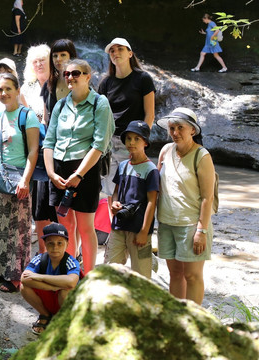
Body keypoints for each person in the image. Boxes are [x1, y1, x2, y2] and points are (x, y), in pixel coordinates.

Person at [43, 59, 115, 274]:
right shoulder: (61, 104)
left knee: (85, 227)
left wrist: (79, 174)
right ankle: (71, 272)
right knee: (66, 227)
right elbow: (49, 141)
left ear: (87, 77)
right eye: (67, 74)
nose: (70, 78)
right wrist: (50, 173)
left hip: (86, 170)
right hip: (59, 171)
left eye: (76, 73)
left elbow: (99, 145)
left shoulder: (99, 104)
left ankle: (90, 275)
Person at [0, 73, 39, 293]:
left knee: (19, 227)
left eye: (8, 89)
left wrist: (25, 180)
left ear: (17, 90)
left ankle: (15, 275)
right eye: (0, 90)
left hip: (18, 177)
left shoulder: (27, 116)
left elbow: (34, 150)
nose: (4, 93)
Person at [156, 108, 215, 305]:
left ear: (193, 130)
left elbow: (207, 198)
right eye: (172, 128)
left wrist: (202, 230)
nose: (175, 132)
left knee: (192, 276)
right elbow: (156, 187)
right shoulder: (165, 151)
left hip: (191, 225)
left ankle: (194, 320)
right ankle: (177, 318)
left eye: (180, 127)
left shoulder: (202, 156)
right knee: (175, 274)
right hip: (166, 222)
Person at [98, 37, 156, 194]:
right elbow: (100, 115)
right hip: (109, 143)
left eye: (120, 49)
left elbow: (150, 114)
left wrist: (141, 141)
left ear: (130, 54)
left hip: (131, 141)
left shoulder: (143, 79)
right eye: (112, 50)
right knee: (110, 190)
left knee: (132, 189)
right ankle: (112, 218)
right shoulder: (106, 83)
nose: (115, 52)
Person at [103, 121, 159, 278]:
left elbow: (151, 202)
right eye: (128, 138)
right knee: (110, 268)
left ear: (145, 143)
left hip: (139, 228)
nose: (131, 142)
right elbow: (116, 192)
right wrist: (114, 203)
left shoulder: (151, 170)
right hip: (119, 226)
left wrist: (143, 232)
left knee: (141, 274)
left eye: (137, 139)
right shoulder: (123, 166)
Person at [20, 44, 56, 252]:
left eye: (43, 60)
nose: (39, 64)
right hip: (34, 151)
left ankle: (68, 252)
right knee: (39, 205)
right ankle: (44, 253)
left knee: (57, 206)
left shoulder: (60, 85)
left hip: (56, 151)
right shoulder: (27, 88)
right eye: (35, 61)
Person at [20, 223, 80, 334]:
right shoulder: (40, 259)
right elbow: (24, 278)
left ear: (67, 244)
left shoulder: (71, 261)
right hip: (49, 297)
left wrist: (40, 277)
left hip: (65, 301)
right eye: (50, 243)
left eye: (60, 243)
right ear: (45, 244)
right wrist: (53, 288)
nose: (55, 247)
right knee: (24, 287)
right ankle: (45, 315)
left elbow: (71, 282)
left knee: (66, 290)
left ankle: (64, 319)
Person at [41, 39, 77, 123]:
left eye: (63, 55)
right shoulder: (48, 84)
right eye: (55, 56)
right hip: (52, 134)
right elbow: (45, 119)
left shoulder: (80, 84)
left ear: (71, 57)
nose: (58, 59)